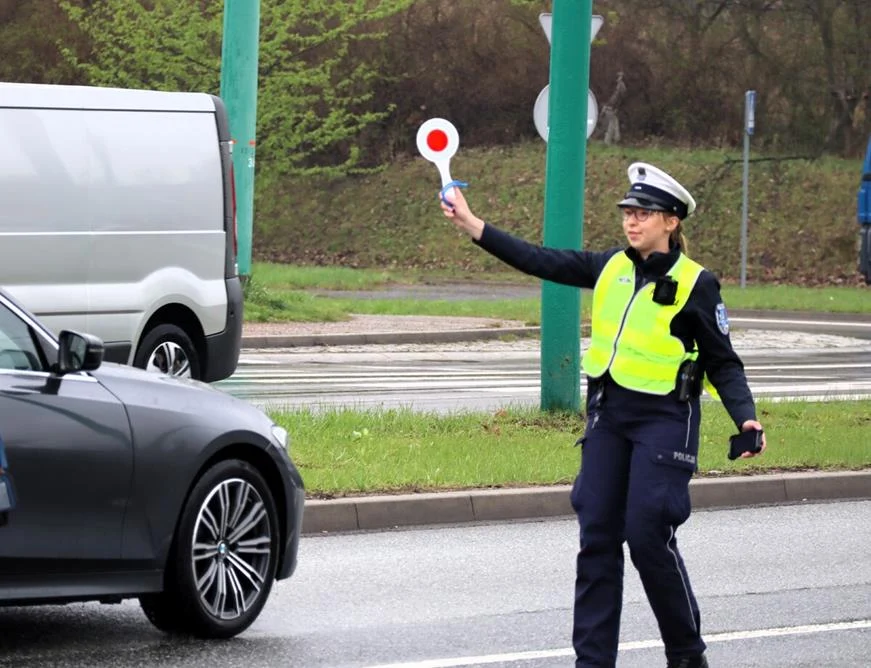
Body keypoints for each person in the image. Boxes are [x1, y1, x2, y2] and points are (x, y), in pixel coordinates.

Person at [440, 163, 766, 668]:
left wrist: (745, 417)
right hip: (609, 416)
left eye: (644, 214)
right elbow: (540, 260)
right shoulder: (610, 266)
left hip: (664, 421)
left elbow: (723, 361)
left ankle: (686, 654)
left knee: (646, 536)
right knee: (596, 537)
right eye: (628, 213)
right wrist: (472, 224)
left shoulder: (696, 283)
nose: (632, 223)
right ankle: (592, 663)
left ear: (672, 221)